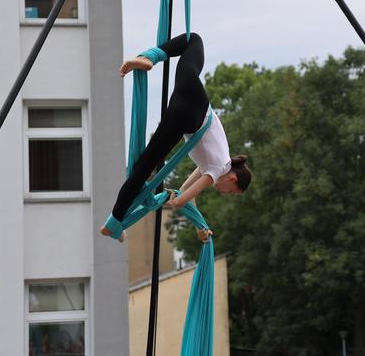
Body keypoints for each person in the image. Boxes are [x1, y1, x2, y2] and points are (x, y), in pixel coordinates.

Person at [100, 33, 252, 242]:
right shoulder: (216, 170)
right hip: (189, 113)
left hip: (191, 100)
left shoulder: (216, 163)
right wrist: (166, 201)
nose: (225, 193)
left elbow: (184, 192)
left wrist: (200, 225)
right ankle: (114, 222)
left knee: (194, 40)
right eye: (232, 192)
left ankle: (150, 57)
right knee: (143, 168)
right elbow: (181, 200)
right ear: (233, 178)